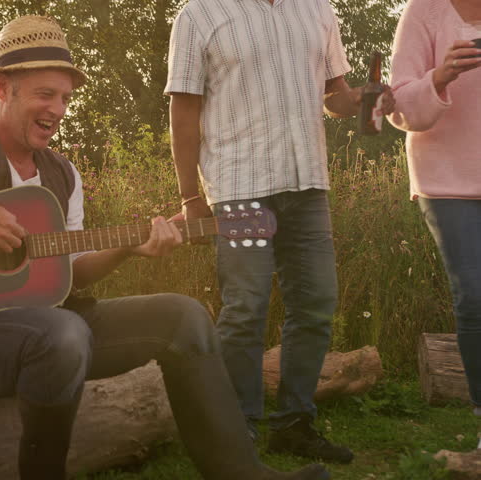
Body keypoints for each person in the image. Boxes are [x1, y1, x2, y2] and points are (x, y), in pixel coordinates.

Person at [0, 14, 330, 480]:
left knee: (182, 316)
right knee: (63, 332)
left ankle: (240, 472)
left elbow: (68, 273)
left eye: (64, 97)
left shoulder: (62, 174)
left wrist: (129, 248)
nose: (57, 109)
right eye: (44, 94)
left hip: (52, 333)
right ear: (2, 88)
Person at [165, 0, 396, 465]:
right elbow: (184, 113)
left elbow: (333, 96)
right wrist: (190, 198)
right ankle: (239, 430)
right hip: (239, 189)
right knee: (245, 307)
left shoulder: (317, 10)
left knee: (315, 304)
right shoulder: (200, 15)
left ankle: (294, 423)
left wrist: (360, 100)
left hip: (307, 182)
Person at [387, 0, 481, 419]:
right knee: (474, 298)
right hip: (447, 182)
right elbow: (398, 105)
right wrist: (441, 76)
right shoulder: (423, 11)